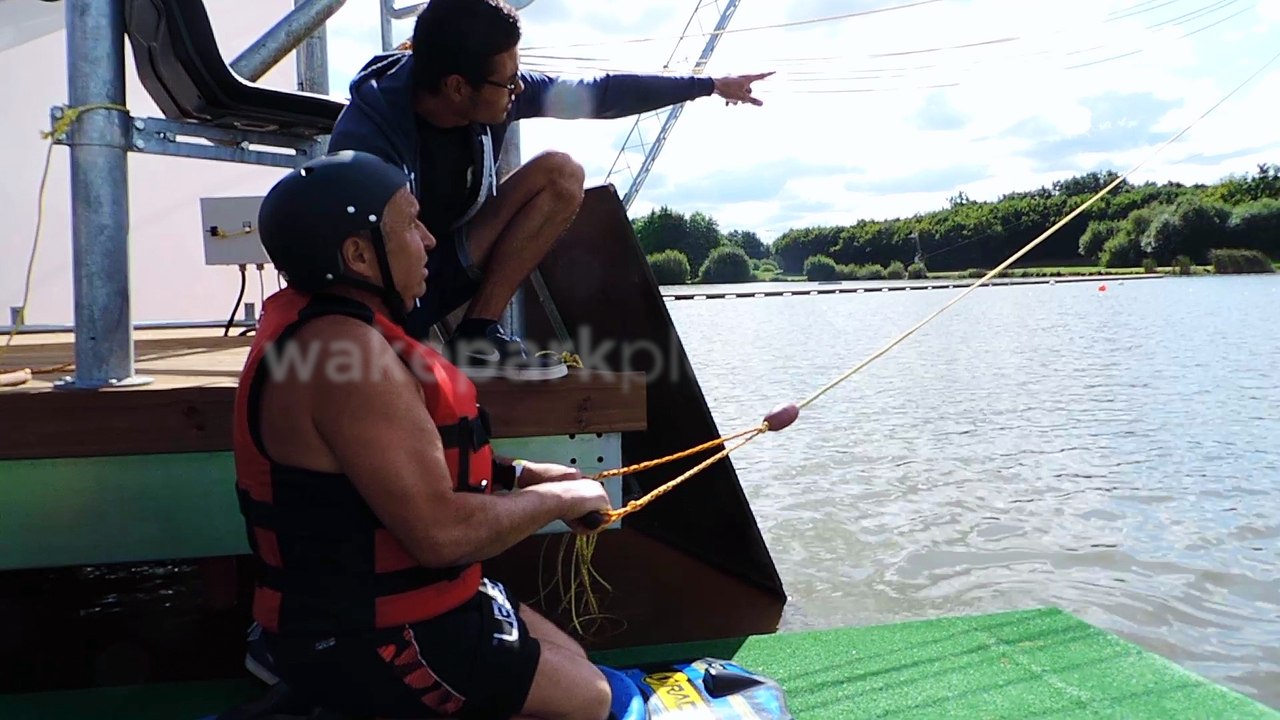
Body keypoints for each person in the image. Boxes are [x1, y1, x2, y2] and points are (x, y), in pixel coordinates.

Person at [233, 149, 615, 720]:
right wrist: (560, 498)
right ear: (358, 255)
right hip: (369, 634)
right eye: (409, 223)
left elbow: (388, 464)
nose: (431, 240)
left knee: (575, 665)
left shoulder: (337, 334)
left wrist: (519, 475)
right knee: (589, 702)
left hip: (389, 612)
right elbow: (441, 535)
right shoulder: (345, 355)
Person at [328, 0, 772, 380]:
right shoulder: (369, 136)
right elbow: (356, 262)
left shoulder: (497, 91)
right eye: (509, 81)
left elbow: (599, 94)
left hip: (444, 264)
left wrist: (709, 86)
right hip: (388, 292)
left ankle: (477, 335)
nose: (518, 90)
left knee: (561, 173)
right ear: (458, 87)